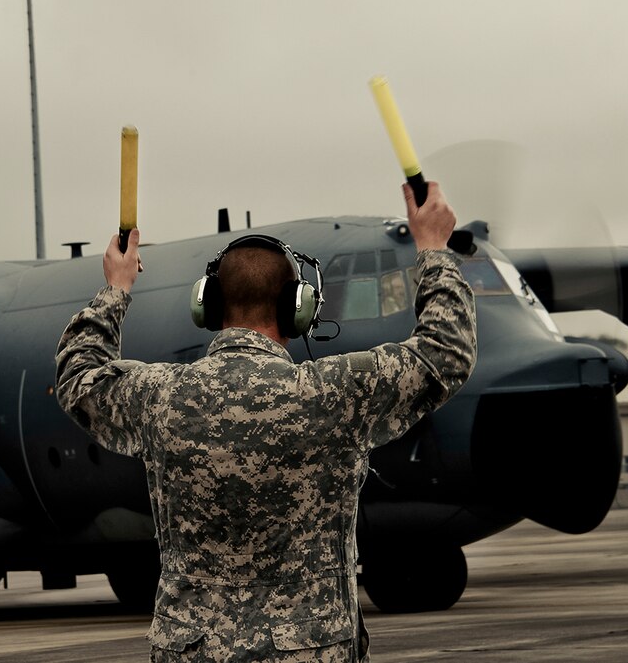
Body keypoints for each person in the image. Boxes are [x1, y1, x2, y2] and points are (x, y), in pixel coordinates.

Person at [55, 182, 476, 662]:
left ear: (208, 307)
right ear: (298, 309)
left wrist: (116, 288)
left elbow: (78, 375)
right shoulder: (334, 394)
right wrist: (434, 250)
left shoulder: (159, 398)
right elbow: (445, 353)